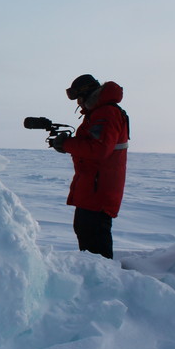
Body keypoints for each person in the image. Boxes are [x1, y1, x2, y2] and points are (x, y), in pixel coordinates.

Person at [51, 74, 129, 259]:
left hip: (98, 189)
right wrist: (68, 144)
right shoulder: (99, 113)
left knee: (94, 243)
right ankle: (99, 280)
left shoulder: (106, 113)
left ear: (86, 94)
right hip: (93, 187)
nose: (78, 103)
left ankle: (104, 283)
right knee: (86, 234)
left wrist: (66, 144)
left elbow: (100, 149)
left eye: (77, 97)